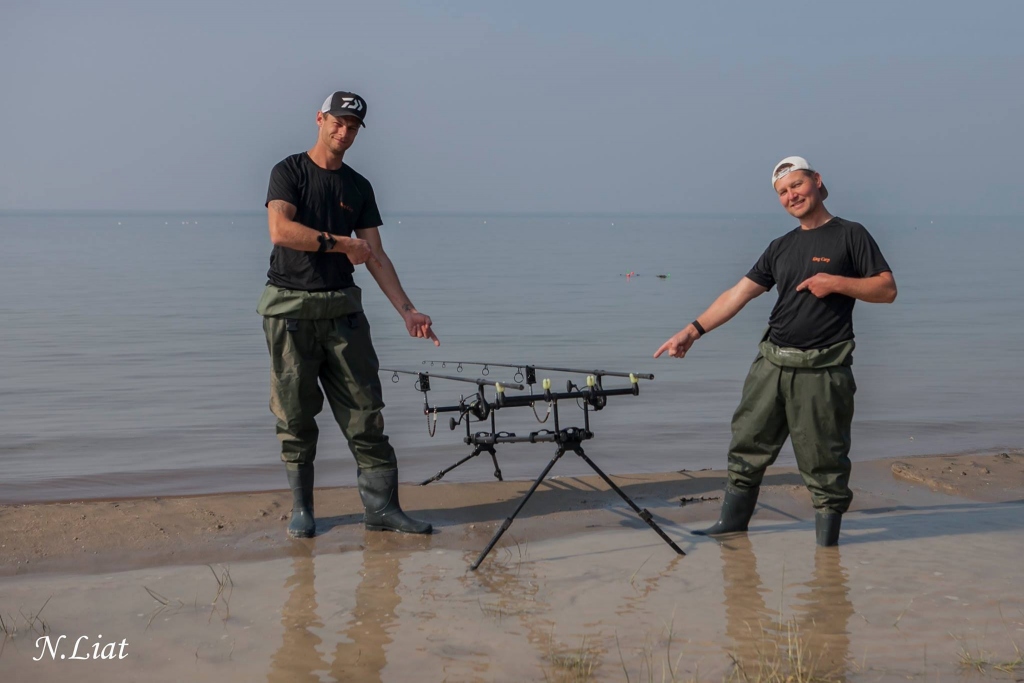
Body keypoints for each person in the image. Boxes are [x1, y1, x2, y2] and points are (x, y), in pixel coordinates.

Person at [654, 156, 897, 546]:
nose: (791, 195)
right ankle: (731, 525)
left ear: (817, 182)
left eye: (797, 185)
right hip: (771, 363)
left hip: (824, 369)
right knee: (746, 446)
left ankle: (827, 550)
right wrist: (692, 331)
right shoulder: (780, 247)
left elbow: (886, 290)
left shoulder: (851, 235)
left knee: (825, 462)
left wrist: (836, 282)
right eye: (782, 192)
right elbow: (738, 294)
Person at [259, 90, 439, 538]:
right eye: (337, 122)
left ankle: (382, 510)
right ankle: (303, 511)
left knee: (366, 412)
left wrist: (408, 310)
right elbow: (280, 231)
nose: (344, 132)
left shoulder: (358, 186)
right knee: (295, 417)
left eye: (353, 127)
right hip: (290, 311)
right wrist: (341, 244)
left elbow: (374, 253)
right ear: (320, 119)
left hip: (344, 312)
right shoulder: (289, 171)